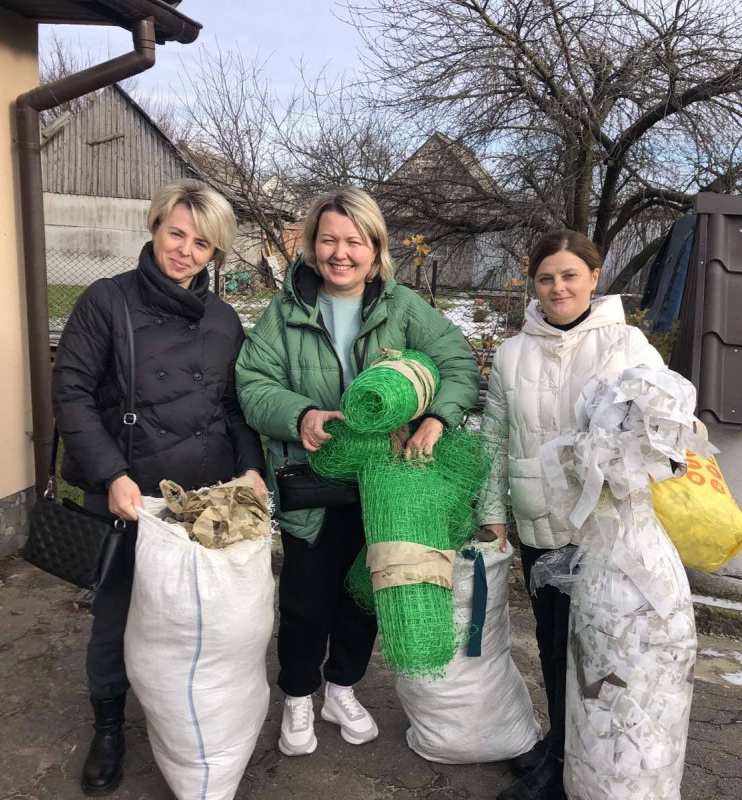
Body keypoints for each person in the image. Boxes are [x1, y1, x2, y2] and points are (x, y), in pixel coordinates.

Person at [235, 187, 478, 757]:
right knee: (305, 600)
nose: (340, 253)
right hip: (311, 483)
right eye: (328, 240)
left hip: (386, 489)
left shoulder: (404, 307)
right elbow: (251, 384)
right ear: (311, 245)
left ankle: (341, 687)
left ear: (375, 248)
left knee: (365, 593)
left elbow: (457, 362)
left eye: (354, 241)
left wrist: (439, 418)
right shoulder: (286, 310)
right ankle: (298, 695)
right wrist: (301, 415)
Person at [52, 179, 266, 796]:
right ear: (154, 228)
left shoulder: (224, 319)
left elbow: (233, 405)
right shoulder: (106, 302)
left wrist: (249, 469)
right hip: (129, 489)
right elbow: (71, 393)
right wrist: (110, 474)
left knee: (197, 616)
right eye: (177, 233)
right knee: (118, 613)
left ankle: (188, 717)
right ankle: (111, 725)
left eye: (202, 243)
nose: (186, 251)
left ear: (215, 252)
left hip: (203, 500)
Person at [476, 229, 665, 800]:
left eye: (569, 275)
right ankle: (560, 755)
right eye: (546, 277)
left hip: (607, 528)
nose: (558, 287)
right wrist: (494, 514)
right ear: (533, 283)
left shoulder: (627, 346)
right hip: (541, 524)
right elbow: (493, 439)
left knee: (603, 651)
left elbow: (664, 426)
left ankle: (594, 765)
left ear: (594, 276)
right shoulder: (512, 354)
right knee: (555, 647)